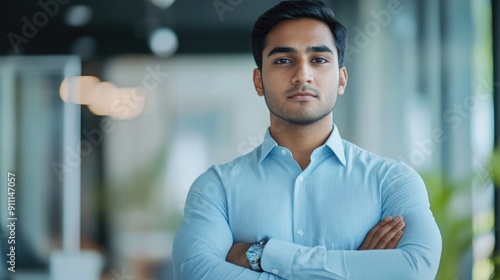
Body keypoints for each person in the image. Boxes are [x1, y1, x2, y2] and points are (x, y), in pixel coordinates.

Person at [172, 0, 442, 279]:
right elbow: (195, 273)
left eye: (319, 60)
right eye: (283, 60)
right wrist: (356, 270)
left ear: (341, 79)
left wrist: (262, 254)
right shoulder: (217, 189)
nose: (302, 75)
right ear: (259, 81)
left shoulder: (392, 182)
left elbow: (415, 269)